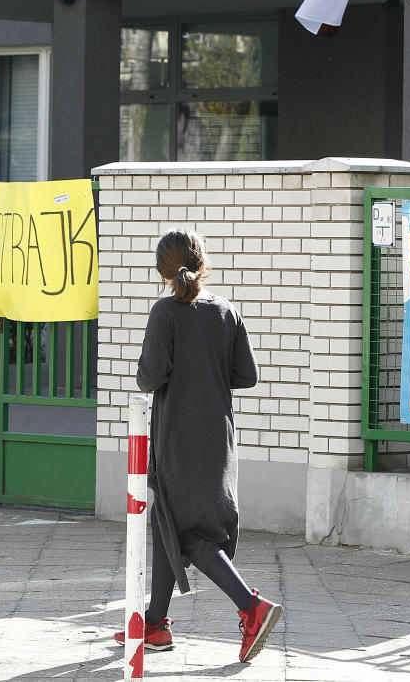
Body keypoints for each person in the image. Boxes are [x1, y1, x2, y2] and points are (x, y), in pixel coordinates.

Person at [114, 228, 283, 663]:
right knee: (166, 519)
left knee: (191, 534)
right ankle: (155, 622)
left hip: (179, 441)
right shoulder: (225, 310)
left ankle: (252, 608)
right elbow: (248, 376)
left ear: (162, 271)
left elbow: (149, 377)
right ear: (202, 263)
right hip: (218, 439)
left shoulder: (165, 313)